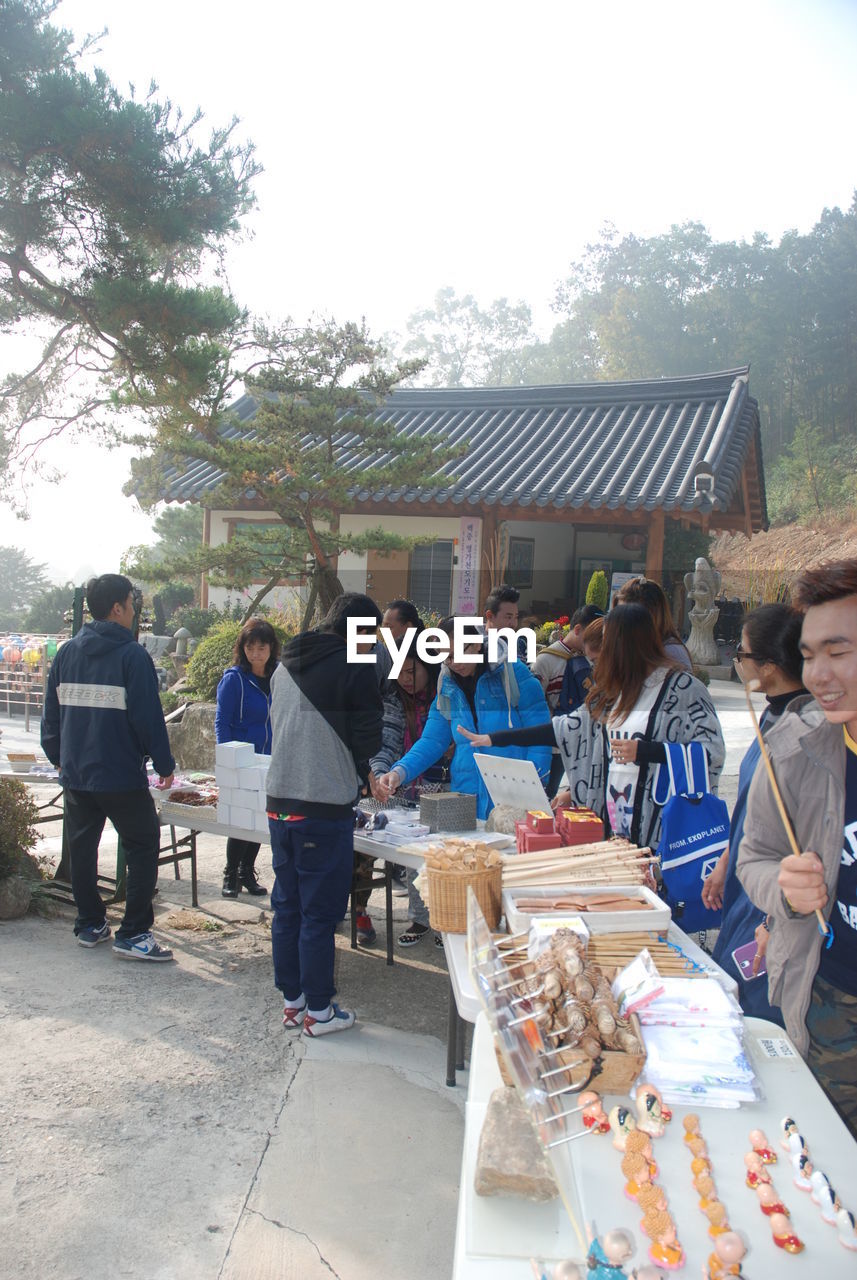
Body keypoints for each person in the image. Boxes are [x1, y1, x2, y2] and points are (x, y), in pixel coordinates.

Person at [738, 560, 857, 1136]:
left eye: (839, 651)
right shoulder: (793, 750)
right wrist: (783, 886)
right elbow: (753, 856)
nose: (819, 675)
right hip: (832, 997)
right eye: (809, 655)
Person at [459, 604, 724, 849]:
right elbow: (565, 730)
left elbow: (711, 753)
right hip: (609, 830)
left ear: (628, 644)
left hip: (660, 828)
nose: (599, 656)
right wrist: (494, 739)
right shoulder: (612, 692)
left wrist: (646, 751)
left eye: (608, 643)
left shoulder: (685, 690)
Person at [40, 573, 176, 961]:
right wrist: (164, 763)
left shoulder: (67, 653)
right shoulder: (132, 656)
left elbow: (50, 717)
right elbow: (148, 718)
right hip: (119, 775)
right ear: (118, 608)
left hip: (78, 775)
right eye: (132, 604)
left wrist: (60, 758)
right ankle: (133, 933)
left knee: (82, 848)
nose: (133, 612)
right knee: (143, 842)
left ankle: (89, 924)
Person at [266, 593, 384, 1036]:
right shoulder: (355, 665)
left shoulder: (286, 660)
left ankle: (292, 1001)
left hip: (280, 802)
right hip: (322, 804)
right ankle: (319, 1010)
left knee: (288, 906)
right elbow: (369, 740)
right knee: (318, 913)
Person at [703, 605, 805, 1021]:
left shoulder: (806, 730)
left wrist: (775, 921)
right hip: (747, 877)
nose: (736, 662)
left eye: (742, 654)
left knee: (760, 1003)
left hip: (775, 897)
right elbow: (752, 807)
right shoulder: (771, 712)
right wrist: (727, 860)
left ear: (770, 665)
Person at [376, 619, 551, 819]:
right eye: (447, 658)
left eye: (458, 653)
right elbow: (432, 740)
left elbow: (541, 737)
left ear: (477, 644)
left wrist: (533, 785)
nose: (454, 663)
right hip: (466, 800)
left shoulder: (513, 673)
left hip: (514, 796)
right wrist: (399, 772)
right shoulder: (447, 683)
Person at [369, 645, 443, 947]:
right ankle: (420, 918)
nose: (405, 679)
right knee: (415, 858)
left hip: (448, 790)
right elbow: (385, 744)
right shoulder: (393, 703)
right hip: (410, 790)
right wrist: (380, 772)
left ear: (428, 667)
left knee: (444, 859)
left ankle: (444, 921)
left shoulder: (445, 696)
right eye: (399, 672)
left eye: (411, 671)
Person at [215, 617, 280, 898]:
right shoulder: (234, 679)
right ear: (242, 648)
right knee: (241, 819)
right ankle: (231, 873)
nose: (255, 653)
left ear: (271, 648)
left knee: (260, 816)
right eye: (250, 647)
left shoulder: (280, 677)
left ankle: (247, 871)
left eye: (261, 647)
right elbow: (222, 720)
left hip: (270, 759)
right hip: (242, 760)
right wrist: (227, 755)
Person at [534, 604, 604, 796]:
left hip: (585, 742)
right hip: (554, 744)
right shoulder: (546, 660)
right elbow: (536, 704)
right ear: (578, 629)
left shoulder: (593, 658)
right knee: (549, 795)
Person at [616, 576, 692, 671]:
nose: (622, 622)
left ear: (653, 615)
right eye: (619, 615)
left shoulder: (671, 652)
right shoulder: (635, 646)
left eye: (629, 616)